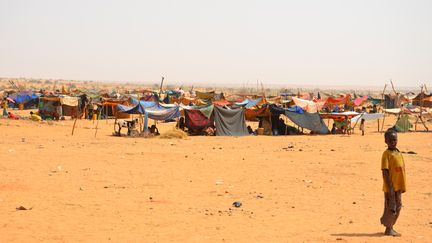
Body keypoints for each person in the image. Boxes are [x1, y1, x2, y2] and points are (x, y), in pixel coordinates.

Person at [380, 130, 406, 237]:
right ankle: (388, 228)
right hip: (391, 187)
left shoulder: (397, 152)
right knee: (392, 207)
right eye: (390, 140)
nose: (393, 142)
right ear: (386, 141)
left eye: (395, 140)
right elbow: (385, 171)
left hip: (398, 185)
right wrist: (390, 187)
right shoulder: (386, 154)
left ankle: (389, 225)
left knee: (398, 206)